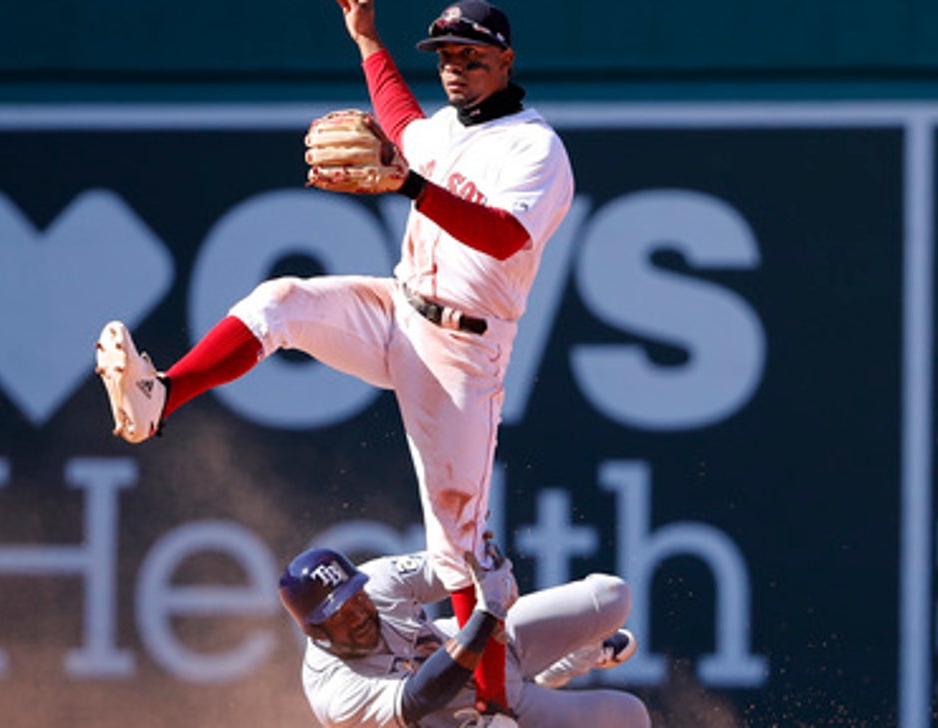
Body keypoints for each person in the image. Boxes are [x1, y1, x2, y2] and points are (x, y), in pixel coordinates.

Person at [95, 0, 573, 719]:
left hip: (463, 351)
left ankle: (492, 706)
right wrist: (368, 42)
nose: (455, 68)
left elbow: (505, 238)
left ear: (507, 60)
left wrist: (408, 185)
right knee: (280, 301)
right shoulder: (442, 131)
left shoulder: (536, 149)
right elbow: (405, 124)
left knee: (459, 547)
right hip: (398, 309)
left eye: (471, 56)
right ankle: (159, 398)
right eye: (445, 55)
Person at [277, 545, 651, 728]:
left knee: (612, 595)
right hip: (475, 719)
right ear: (315, 630)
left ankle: (563, 665)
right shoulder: (335, 693)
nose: (358, 613)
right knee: (632, 718)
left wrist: (487, 566)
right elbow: (423, 693)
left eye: (356, 597)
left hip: (489, 646)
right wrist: (487, 613)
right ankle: (546, 676)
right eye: (340, 613)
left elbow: (457, 562)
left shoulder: (380, 579)